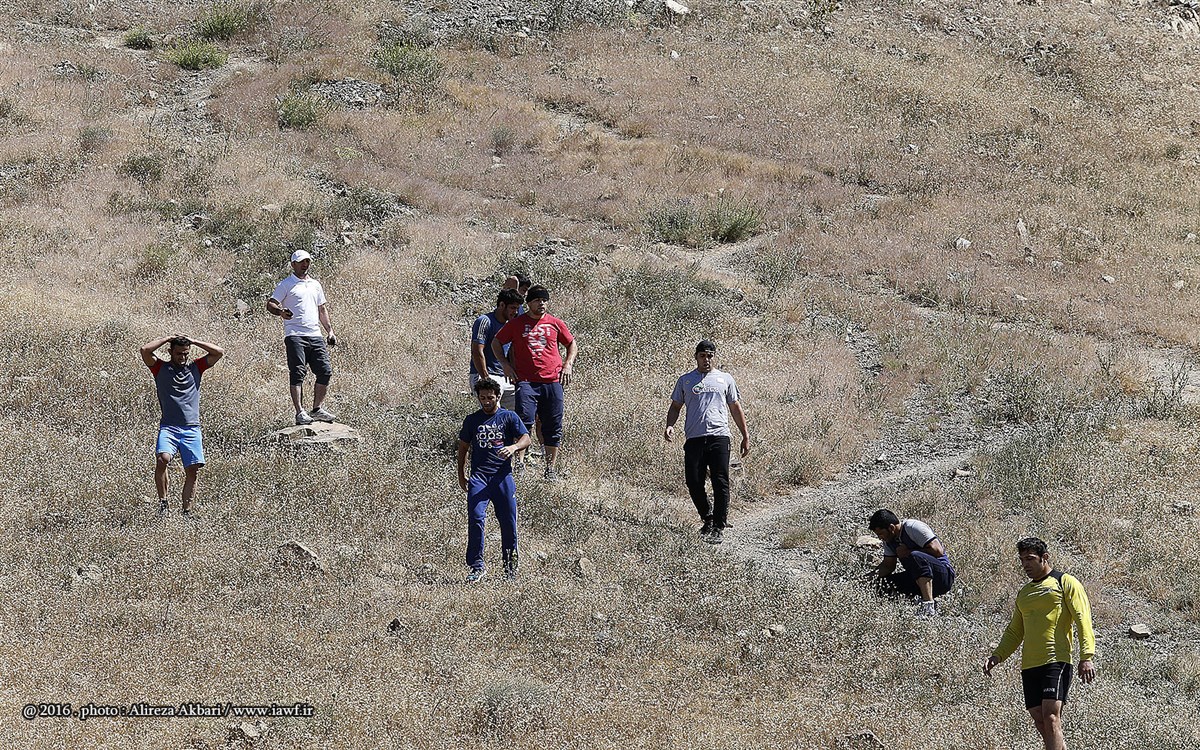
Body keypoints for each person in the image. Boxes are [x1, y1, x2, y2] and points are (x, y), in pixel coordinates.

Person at [985, 538, 1096, 750]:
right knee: (1039, 719)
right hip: (1029, 664)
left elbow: (1083, 619)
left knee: (1051, 716)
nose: (1025, 564)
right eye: (1022, 560)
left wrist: (1086, 656)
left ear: (1044, 557)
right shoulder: (1024, 593)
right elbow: (1015, 631)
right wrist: (997, 655)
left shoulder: (1065, 582)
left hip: (1056, 659)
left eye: (1030, 559)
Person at [663, 340, 750, 545]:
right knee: (693, 481)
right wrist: (670, 425)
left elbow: (735, 408)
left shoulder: (725, 379)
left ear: (714, 357)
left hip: (719, 436)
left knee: (720, 481)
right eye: (702, 355)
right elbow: (675, 406)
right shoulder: (686, 380)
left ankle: (719, 526)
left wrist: (745, 435)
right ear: (696, 357)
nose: (706, 359)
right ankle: (708, 518)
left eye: (710, 355)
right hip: (694, 438)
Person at [491, 285, 577, 482]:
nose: (542, 304)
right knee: (524, 421)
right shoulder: (517, 324)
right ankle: (520, 464)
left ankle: (550, 468)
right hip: (527, 382)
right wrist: (505, 365)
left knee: (553, 424)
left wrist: (568, 364)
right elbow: (496, 342)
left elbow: (571, 343)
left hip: (553, 381)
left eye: (544, 300)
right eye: (537, 300)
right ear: (529, 303)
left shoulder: (555, 323)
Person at [139, 334, 224, 516]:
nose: (183, 357)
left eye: (186, 353)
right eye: (179, 353)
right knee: (162, 459)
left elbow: (219, 352)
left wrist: (194, 341)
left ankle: (186, 512)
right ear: (170, 352)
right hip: (169, 427)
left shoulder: (196, 368)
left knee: (192, 470)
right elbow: (145, 350)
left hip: (192, 428)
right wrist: (167, 338)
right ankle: (163, 503)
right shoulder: (160, 368)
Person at [456, 378, 531, 582]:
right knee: (476, 517)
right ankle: (477, 566)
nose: (486, 401)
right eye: (482, 398)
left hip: (502, 478)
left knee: (508, 522)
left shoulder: (508, 417)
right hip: (479, 478)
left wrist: (513, 447)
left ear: (498, 396)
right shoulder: (472, 420)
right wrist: (461, 474)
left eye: (490, 397)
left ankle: (510, 568)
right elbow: (463, 447)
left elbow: (526, 438)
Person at [267, 250, 337, 425]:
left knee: (325, 371)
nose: (305, 265)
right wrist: (280, 312)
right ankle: (300, 412)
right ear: (293, 264)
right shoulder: (286, 284)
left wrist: (329, 331)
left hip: (315, 335)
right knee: (298, 372)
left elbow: (322, 309)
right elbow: (271, 304)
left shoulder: (315, 285)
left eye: (307, 261)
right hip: (295, 335)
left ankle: (317, 409)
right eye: (301, 262)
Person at [866, 509, 956, 616]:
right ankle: (911, 606)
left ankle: (928, 606)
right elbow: (888, 566)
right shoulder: (888, 541)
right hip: (916, 579)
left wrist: (908, 551)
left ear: (891, 528)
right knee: (882, 584)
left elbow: (938, 551)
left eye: (881, 534)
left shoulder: (912, 527)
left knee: (915, 556)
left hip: (943, 577)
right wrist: (866, 579)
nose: (880, 538)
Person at [470, 288, 523, 411]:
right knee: (491, 414)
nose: (515, 312)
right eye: (512, 308)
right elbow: (477, 351)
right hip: (486, 374)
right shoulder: (485, 321)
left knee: (520, 411)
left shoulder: (510, 325)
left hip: (505, 376)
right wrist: (485, 378)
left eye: (517, 308)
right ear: (502, 305)